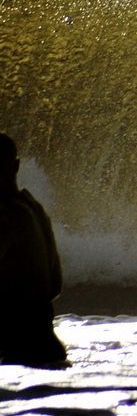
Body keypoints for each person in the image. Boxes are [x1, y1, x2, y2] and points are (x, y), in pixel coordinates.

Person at [0, 133, 68, 368]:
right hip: (50, 348)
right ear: (17, 165)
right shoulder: (35, 208)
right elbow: (54, 285)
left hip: (21, 350)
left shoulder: (4, 214)